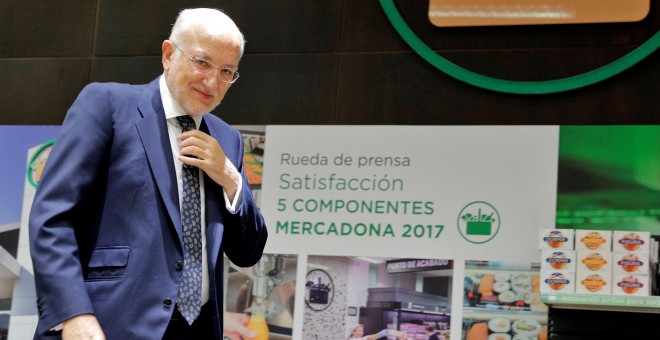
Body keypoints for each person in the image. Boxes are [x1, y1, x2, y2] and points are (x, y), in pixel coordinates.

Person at [28, 7, 267, 340]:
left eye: (227, 71)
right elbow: (52, 219)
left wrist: (230, 177)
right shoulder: (108, 105)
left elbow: (247, 252)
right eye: (202, 63)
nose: (213, 82)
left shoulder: (227, 140)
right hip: (107, 325)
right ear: (168, 54)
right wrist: (73, 313)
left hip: (197, 330)